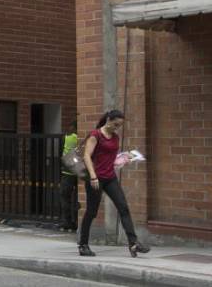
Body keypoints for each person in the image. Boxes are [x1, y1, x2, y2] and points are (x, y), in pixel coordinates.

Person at [78, 109, 150, 258]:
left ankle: (133, 243)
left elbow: (110, 157)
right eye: (116, 124)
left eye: (120, 125)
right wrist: (93, 177)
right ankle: (83, 245)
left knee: (123, 208)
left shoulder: (115, 137)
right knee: (91, 212)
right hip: (96, 179)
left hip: (110, 177)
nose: (117, 128)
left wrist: (126, 158)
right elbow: (86, 156)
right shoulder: (95, 135)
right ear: (109, 120)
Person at [59, 121, 79, 232]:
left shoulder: (69, 137)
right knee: (77, 198)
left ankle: (67, 222)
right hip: (79, 171)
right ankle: (76, 222)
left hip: (68, 172)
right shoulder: (79, 138)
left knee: (65, 196)